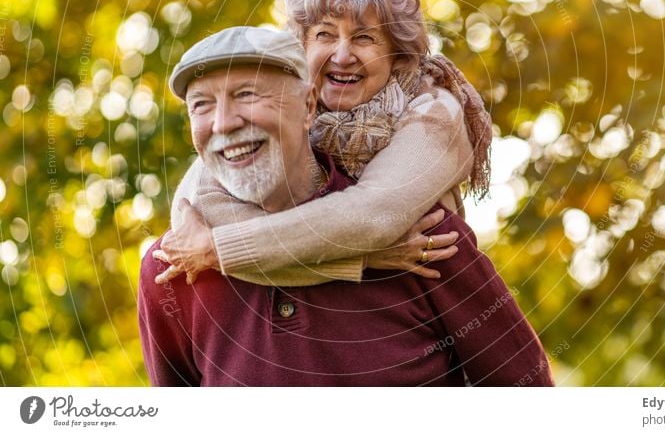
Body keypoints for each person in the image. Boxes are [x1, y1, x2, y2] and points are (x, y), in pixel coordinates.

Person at [138, 27, 554, 386]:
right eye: (201, 106)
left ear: (307, 106)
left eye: (246, 96)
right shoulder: (173, 268)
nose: (223, 123)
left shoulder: (425, 238)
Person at [154, 0, 492, 286]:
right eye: (325, 35)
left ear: (398, 54)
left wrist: (218, 249)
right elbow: (200, 208)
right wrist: (361, 259)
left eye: (364, 37)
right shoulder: (285, 108)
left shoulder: (435, 110)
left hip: (426, 301)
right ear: (301, 47)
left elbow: (373, 216)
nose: (342, 56)